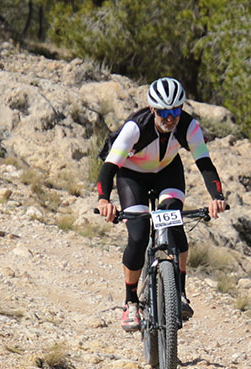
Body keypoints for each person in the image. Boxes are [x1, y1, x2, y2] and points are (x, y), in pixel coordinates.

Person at [96, 77, 227, 331]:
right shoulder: (136, 128)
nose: (170, 118)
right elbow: (109, 168)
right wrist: (104, 201)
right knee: (138, 236)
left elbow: (205, 164)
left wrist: (217, 197)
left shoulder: (188, 126)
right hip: (132, 176)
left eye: (175, 112)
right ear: (152, 109)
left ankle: (179, 292)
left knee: (174, 221)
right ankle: (131, 302)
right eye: (163, 113)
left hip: (167, 172)